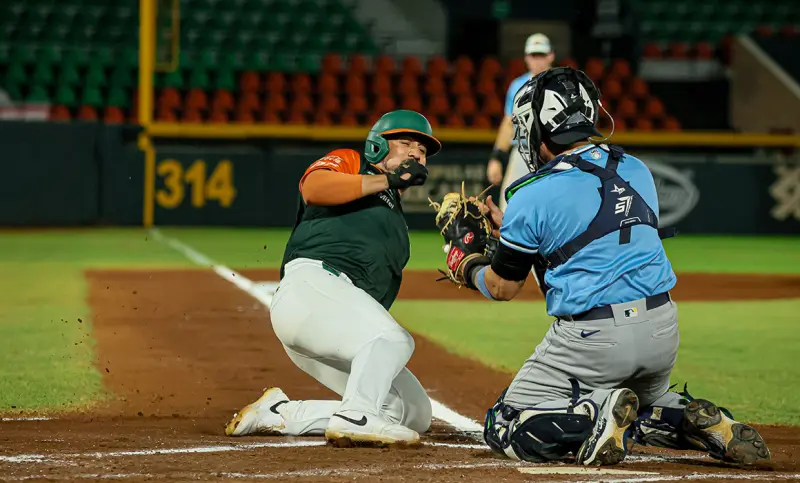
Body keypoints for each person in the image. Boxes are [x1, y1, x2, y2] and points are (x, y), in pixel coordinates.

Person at [449, 67, 771, 466]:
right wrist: (511, 232)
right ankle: (696, 421)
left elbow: (502, 287)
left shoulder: (530, 194)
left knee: (505, 422)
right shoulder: (636, 168)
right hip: (662, 328)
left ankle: (594, 412)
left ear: (540, 126)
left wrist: (464, 263)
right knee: (640, 407)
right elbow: (586, 237)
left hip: (595, 340)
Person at [224, 110, 441, 446]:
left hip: (326, 321)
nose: (416, 153)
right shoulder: (352, 161)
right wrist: (388, 180)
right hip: (310, 287)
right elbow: (314, 187)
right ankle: (357, 416)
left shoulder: (397, 226)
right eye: (405, 143)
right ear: (377, 146)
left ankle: (281, 413)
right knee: (394, 339)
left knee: (412, 411)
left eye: (423, 150)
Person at [487, 33, 555, 211]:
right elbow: (509, 123)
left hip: (555, 152)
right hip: (523, 152)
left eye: (542, 55)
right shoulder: (518, 86)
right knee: (509, 204)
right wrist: (496, 157)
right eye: (534, 56)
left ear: (551, 56)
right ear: (526, 58)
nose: (538, 60)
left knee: (553, 205)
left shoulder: (562, 84)